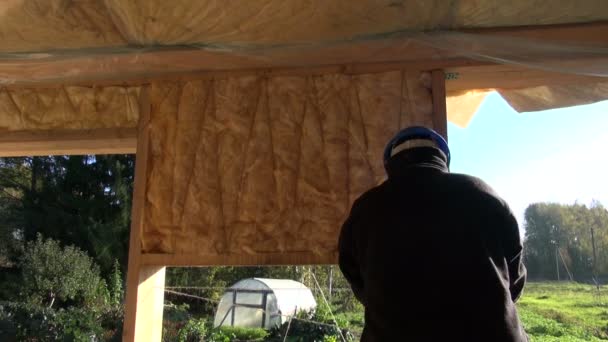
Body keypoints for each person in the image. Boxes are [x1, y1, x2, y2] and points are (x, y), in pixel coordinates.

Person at [338, 126, 527, 341]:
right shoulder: (484, 193)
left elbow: (352, 270)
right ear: (443, 159)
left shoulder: (366, 208)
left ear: (390, 164)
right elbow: (515, 273)